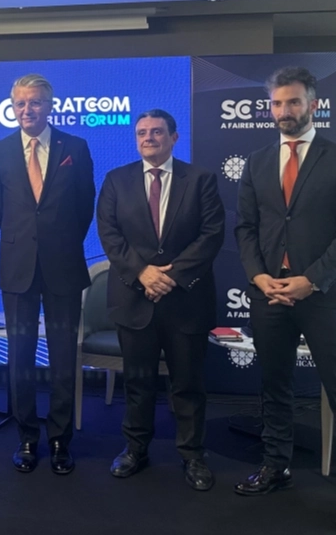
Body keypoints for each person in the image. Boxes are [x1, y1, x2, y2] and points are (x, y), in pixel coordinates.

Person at [235, 67, 336, 530]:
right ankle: (276, 466)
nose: (284, 111)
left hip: (323, 294)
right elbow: (245, 228)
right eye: (277, 103)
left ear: (313, 105)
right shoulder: (257, 162)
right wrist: (258, 275)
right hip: (269, 292)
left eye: (293, 102)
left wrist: (310, 280)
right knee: (274, 385)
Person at [96, 109, 224, 490]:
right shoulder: (116, 180)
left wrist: (170, 276)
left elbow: (212, 234)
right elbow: (109, 234)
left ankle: (192, 455)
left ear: (173, 137)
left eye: (156, 132)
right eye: (141, 133)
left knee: (188, 384)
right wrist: (142, 273)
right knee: (138, 383)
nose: (148, 138)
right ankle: (135, 449)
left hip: (186, 299)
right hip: (134, 298)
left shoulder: (200, 180)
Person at [0, 74, 95, 474]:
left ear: (49, 106)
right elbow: (0, 209)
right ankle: (28, 437)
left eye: (35, 103)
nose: (27, 110)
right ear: (12, 107)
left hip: (63, 266)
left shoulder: (75, 147)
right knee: (20, 357)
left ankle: (61, 440)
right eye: (20, 104)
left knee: (64, 357)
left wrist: (58, 241)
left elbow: (84, 206)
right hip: (18, 269)